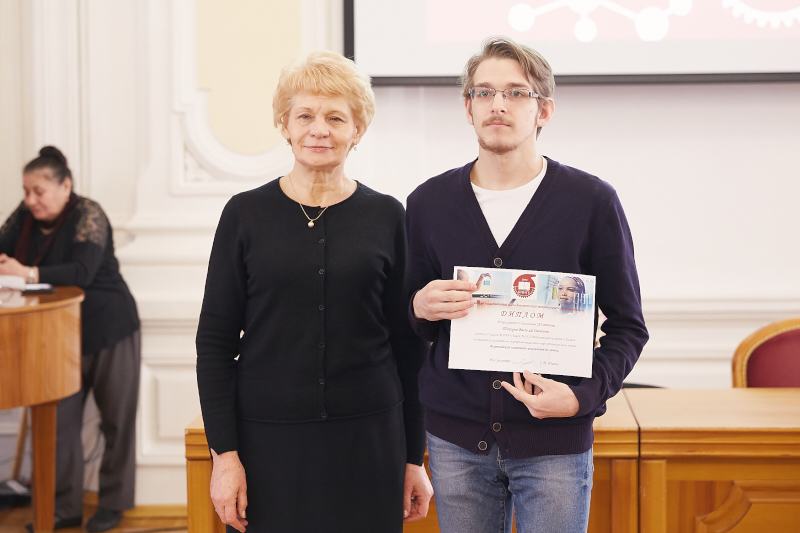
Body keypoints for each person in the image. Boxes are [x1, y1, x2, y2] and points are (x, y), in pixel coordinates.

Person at [406, 37, 649, 533]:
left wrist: (582, 397)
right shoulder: (428, 203)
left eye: (516, 93)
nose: (498, 104)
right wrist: (418, 306)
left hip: (555, 443)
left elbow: (628, 327)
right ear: (468, 108)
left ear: (544, 110)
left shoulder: (591, 202)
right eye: (484, 92)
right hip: (456, 443)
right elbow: (407, 324)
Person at [195, 50, 433, 533]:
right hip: (268, 443)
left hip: (370, 441)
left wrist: (414, 457)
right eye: (304, 116)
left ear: (357, 130)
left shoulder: (388, 216)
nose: (319, 130)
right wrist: (224, 456)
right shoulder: (244, 215)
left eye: (335, 118)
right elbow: (214, 344)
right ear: (285, 125)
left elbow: (409, 346)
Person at [0, 146, 140, 533]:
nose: (31, 200)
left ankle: (113, 505)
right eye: (26, 191)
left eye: (39, 191)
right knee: (58, 427)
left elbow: (81, 271)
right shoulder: (24, 217)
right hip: (57, 336)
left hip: (110, 328)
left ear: (65, 186)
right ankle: (63, 509)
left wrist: (26, 273)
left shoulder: (89, 214)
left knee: (117, 421)